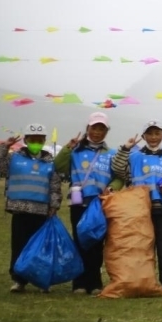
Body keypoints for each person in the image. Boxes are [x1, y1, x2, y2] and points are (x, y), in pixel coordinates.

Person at [111, 119, 162, 294]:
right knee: (141, 247)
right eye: (150, 134)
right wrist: (125, 148)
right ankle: (143, 279)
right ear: (144, 136)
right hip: (140, 210)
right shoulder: (134, 157)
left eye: (157, 133)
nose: (153, 137)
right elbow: (117, 169)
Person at [54, 112, 123, 295]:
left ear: (106, 131)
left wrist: (112, 187)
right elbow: (58, 166)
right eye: (94, 128)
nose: (97, 132)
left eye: (102, 129)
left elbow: (119, 177)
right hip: (79, 202)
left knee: (97, 242)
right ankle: (79, 283)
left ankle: (95, 283)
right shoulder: (75, 151)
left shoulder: (112, 154)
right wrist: (68, 148)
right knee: (80, 241)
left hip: (100, 204)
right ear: (88, 129)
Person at [0, 123, 62, 293]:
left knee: (41, 249)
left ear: (44, 141)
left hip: (42, 212)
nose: (36, 143)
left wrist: (54, 205)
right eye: (32, 139)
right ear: (26, 140)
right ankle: (19, 281)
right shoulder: (14, 158)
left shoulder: (50, 162)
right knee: (19, 247)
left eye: (39, 140)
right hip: (20, 211)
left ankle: (42, 280)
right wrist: (4, 146)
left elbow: (55, 185)